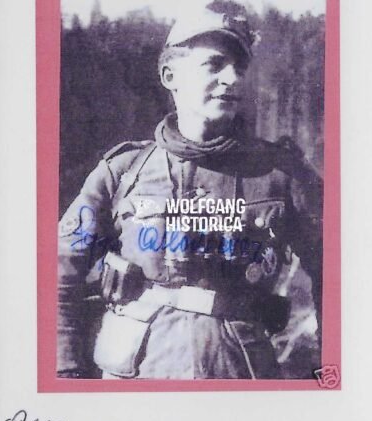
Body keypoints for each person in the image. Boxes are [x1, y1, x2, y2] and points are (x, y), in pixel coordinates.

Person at [57, 0, 323, 379]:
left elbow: (340, 274)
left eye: (240, 67)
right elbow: (58, 276)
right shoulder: (122, 172)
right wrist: (66, 373)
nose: (233, 78)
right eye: (214, 64)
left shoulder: (282, 174)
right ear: (171, 76)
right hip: (137, 381)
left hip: (240, 379)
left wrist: (331, 377)